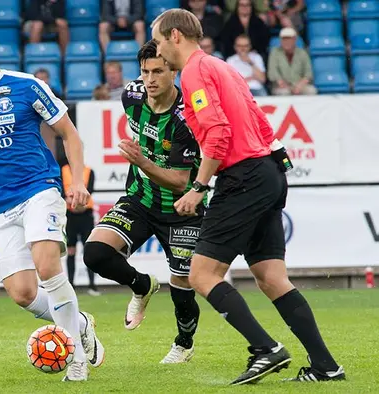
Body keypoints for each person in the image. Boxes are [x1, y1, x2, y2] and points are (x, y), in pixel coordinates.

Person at [151, 8, 345, 384]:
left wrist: (198, 186)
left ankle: (265, 349)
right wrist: (274, 167)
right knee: (272, 278)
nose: (158, 51)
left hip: (242, 175)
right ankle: (326, 366)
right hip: (267, 169)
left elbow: (218, 132)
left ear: (176, 36)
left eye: (159, 41)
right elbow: (258, 118)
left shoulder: (194, 72)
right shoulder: (223, 67)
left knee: (201, 274)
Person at [0, 21, 104, 381]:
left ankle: (77, 359)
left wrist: (76, 181)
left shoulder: (26, 86)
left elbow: (69, 134)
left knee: (47, 267)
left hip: (38, 189)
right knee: (22, 293)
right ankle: (79, 323)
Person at [83, 40, 203, 364]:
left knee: (182, 287)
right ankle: (142, 285)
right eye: (145, 71)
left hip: (181, 209)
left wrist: (144, 161)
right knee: (94, 253)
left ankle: (184, 343)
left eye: (158, 72)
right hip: (139, 199)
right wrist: (143, 160)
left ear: (173, 72)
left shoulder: (185, 118)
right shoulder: (131, 96)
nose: (150, 79)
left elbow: (180, 181)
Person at [59, 158, 99, 296]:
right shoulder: (62, 170)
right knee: (71, 250)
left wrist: (78, 200)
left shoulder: (89, 171)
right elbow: (59, 189)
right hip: (70, 216)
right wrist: (67, 198)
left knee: (88, 250)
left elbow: (91, 190)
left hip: (86, 215)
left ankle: (92, 285)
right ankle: (71, 285)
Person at [267, 27, 317, 96]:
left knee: (311, 90)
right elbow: (272, 73)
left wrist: (300, 85)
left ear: (294, 40)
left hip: (299, 84)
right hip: (281, 86)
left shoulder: (302, 53)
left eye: (289, 39)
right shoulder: (275, 52)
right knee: (284, 92)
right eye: (284, 39)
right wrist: (281, 83)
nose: (286, 42)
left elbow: (308, 74)